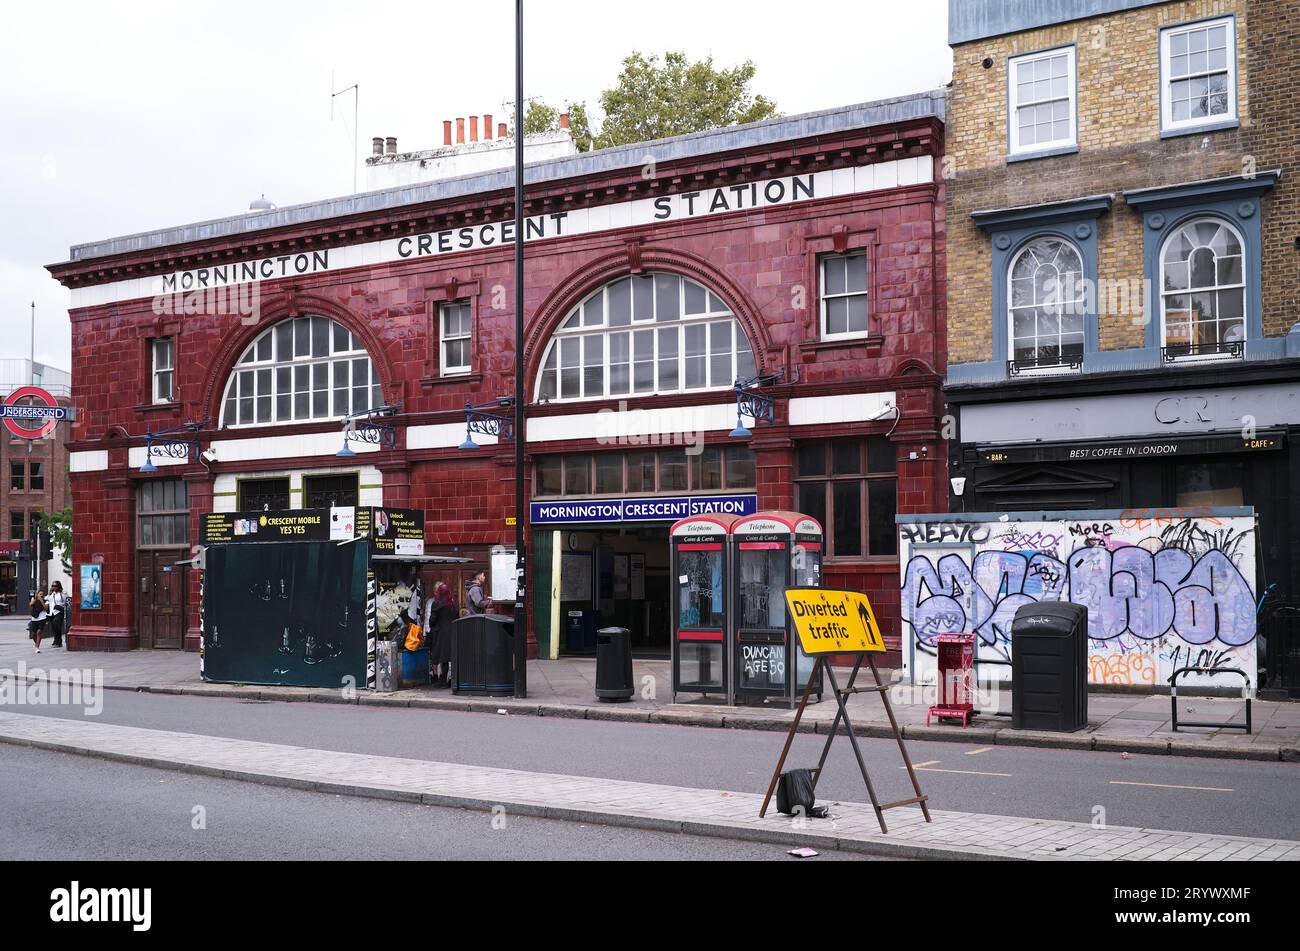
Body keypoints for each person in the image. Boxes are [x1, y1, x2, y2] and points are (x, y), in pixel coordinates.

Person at [423, 581, 456, 687]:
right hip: (452, 632)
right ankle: (450, 680)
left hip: (440, 633)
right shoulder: (452, 603)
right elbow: (456, 616)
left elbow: (432, 619)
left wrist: (431, 626)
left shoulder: (437, 603)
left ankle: (442, 681)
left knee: (442, 657)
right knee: (449, 657)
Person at [28, 588, 49, 654]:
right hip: (34, 618)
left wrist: (41, 601)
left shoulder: (46, 601)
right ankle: (36, 644)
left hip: (42, 618)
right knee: (33, 634)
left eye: (42, 595)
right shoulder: (33, 599)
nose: (41, 596)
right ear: (37, 594)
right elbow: (30, 605)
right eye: (40, 594)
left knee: (39, 632)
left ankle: (37, 647)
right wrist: (36, 599)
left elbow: (46, 608)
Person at [47, 581, 67, 648]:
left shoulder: (62, 594)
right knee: (54, 627)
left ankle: (59, 641)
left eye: (55, 586)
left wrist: (62, 607)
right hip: (52, 612)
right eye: (52, 586)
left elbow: (66, 602)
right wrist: (49, 594)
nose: (53, 587)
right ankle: (56, 640)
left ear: (58, 586)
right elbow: (47, 600)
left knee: (57, 625)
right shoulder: (52, 594)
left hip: (59, 612)